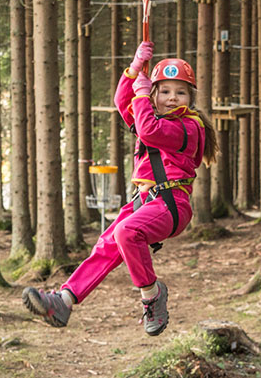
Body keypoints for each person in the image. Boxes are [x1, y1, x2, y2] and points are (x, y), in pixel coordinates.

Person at [21, 42, 218, 336]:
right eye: (164, 91)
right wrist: (134, 68)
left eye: (180, 92)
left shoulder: (189, 127)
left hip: (171, 204)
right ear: (155, 94)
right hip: (146, 201)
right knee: (106, 244)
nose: (172, 98)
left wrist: (142, 96)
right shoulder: (149, 118)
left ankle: (152, 295)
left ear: (190, 98)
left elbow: (150, 129)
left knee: (127, 232)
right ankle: (64, 300)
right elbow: (122, 102)